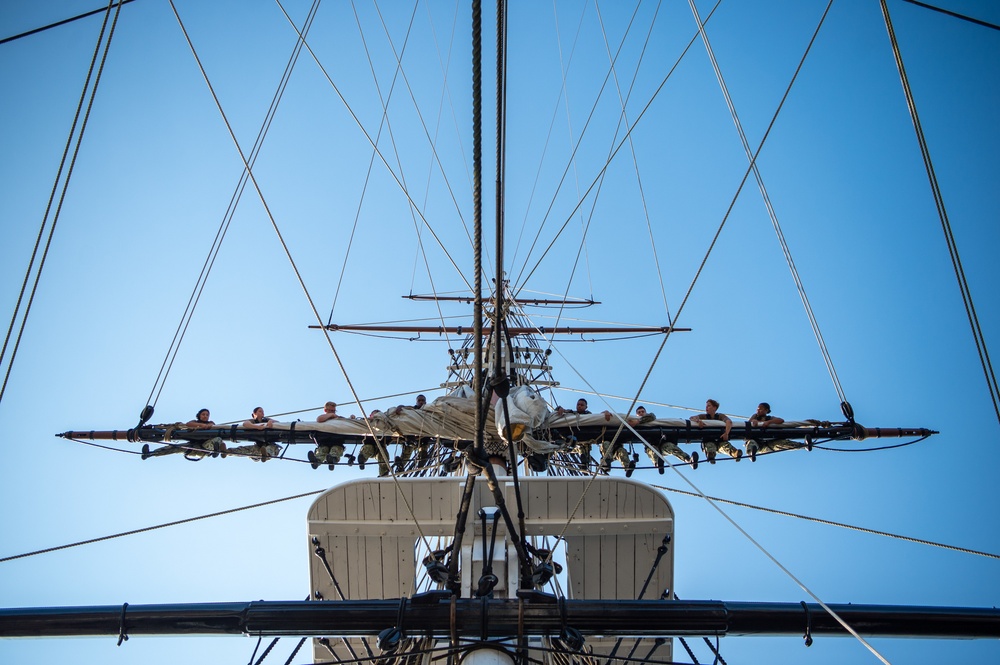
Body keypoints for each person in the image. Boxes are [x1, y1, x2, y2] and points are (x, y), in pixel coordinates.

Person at [141, 408, 226, 460]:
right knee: (174, 448)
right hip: (193, 446)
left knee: (218, 440)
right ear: (199, 415)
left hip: (205, 447)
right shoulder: (194, 422)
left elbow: (212, 425)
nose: (205, 416)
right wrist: (201, 425)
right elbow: (188, 424)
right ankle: (150, 454)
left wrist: (207, 426)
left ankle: (215, 451)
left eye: (207, 415)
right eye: (203, 414)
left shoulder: (210, 423)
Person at [691, 399, 741, 464]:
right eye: (706, 406)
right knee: (709, 445)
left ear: (714, 408)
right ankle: (711, 455)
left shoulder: (720, 416)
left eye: (709, 406)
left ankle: (735, 453)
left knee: (725, 446)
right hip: (708, 440)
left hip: (720, 439)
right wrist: (698, 421)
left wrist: (726, 433)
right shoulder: (703, 416)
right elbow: (692, 418)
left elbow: (729, 422)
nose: (706, 408)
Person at [310, 402, 346, 470]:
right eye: (331, 411)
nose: (333, 412)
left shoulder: (339, 419)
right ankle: (316, 461)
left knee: (335, 450)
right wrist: (331, 415)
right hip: (324, 442)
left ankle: (332, 460)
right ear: (326, 410)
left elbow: (348, 421)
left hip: (337, 442)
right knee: (322, 450)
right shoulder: (323, 418)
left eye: (334, 411)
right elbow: (319, 419)